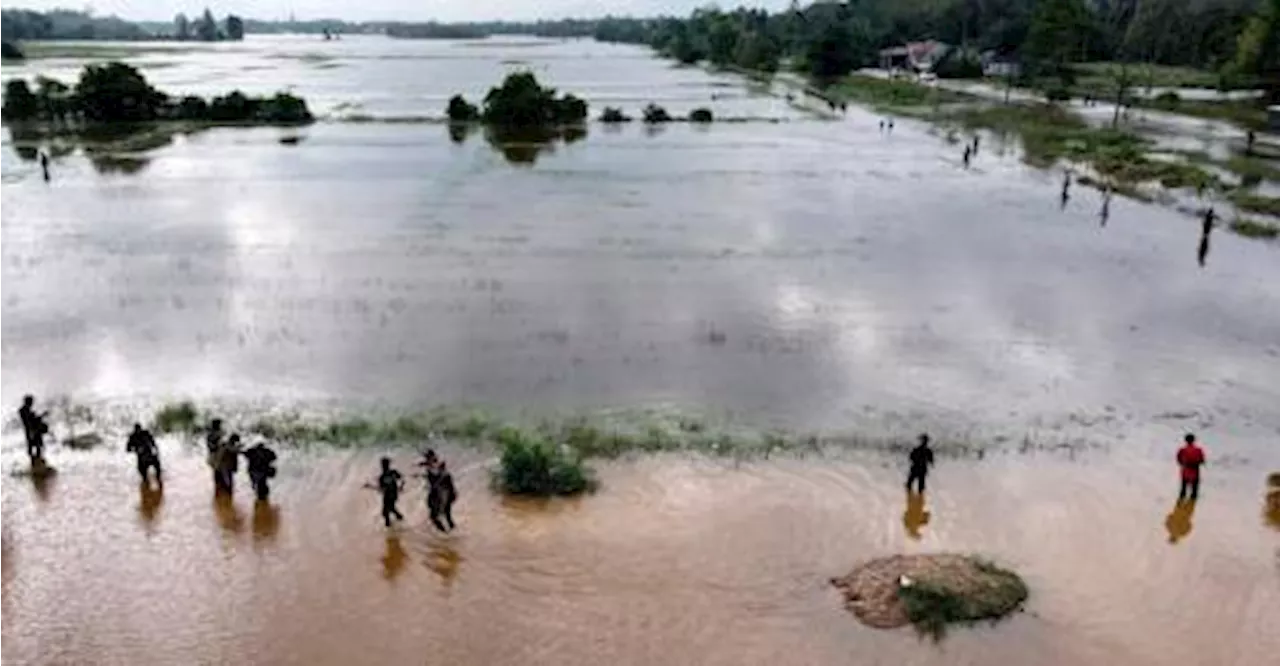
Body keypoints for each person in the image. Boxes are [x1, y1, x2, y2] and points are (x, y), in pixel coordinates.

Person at [427, 460, 458, 533]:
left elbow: (435, 483)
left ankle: (444, 532)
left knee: (434, 516)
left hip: (443, 498)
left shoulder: (444, 475)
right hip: (446, 497)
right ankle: (452, 530)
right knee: (447, 515)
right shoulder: (445, 475)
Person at [18, 395, 49, 463]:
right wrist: (42, 415)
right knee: (35, 447)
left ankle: (36, 462)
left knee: (36, 447)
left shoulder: (26, 410)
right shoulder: (24, 410)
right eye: (31, 402)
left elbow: (32, 420)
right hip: (32, 431)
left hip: (32, 430)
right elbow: (30, 421)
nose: (32, 403)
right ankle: (35, 463)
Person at [1176, 434, 1206, 502]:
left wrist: (1183, 464)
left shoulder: (1182, 450)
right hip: (1195, 470)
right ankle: (1192, 499)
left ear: (1186, 440)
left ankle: (1181, 498)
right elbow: (1202, 460)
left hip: (1185, 470)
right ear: (1194, 440)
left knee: (1184, 486)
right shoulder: (1198, 450)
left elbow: (1179, 459)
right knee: (1194, 487)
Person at [377, 457, 405, 528]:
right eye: (383, 464)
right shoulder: (381, 477)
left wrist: (401, 487)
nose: (383, 466)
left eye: (385, 464)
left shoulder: (393, 472)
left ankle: (393, 525)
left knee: (387, 511)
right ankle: (398, 520)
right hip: (386, 495)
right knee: (387, 511)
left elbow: (402, 478)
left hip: (393, 494)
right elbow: (381, 488)